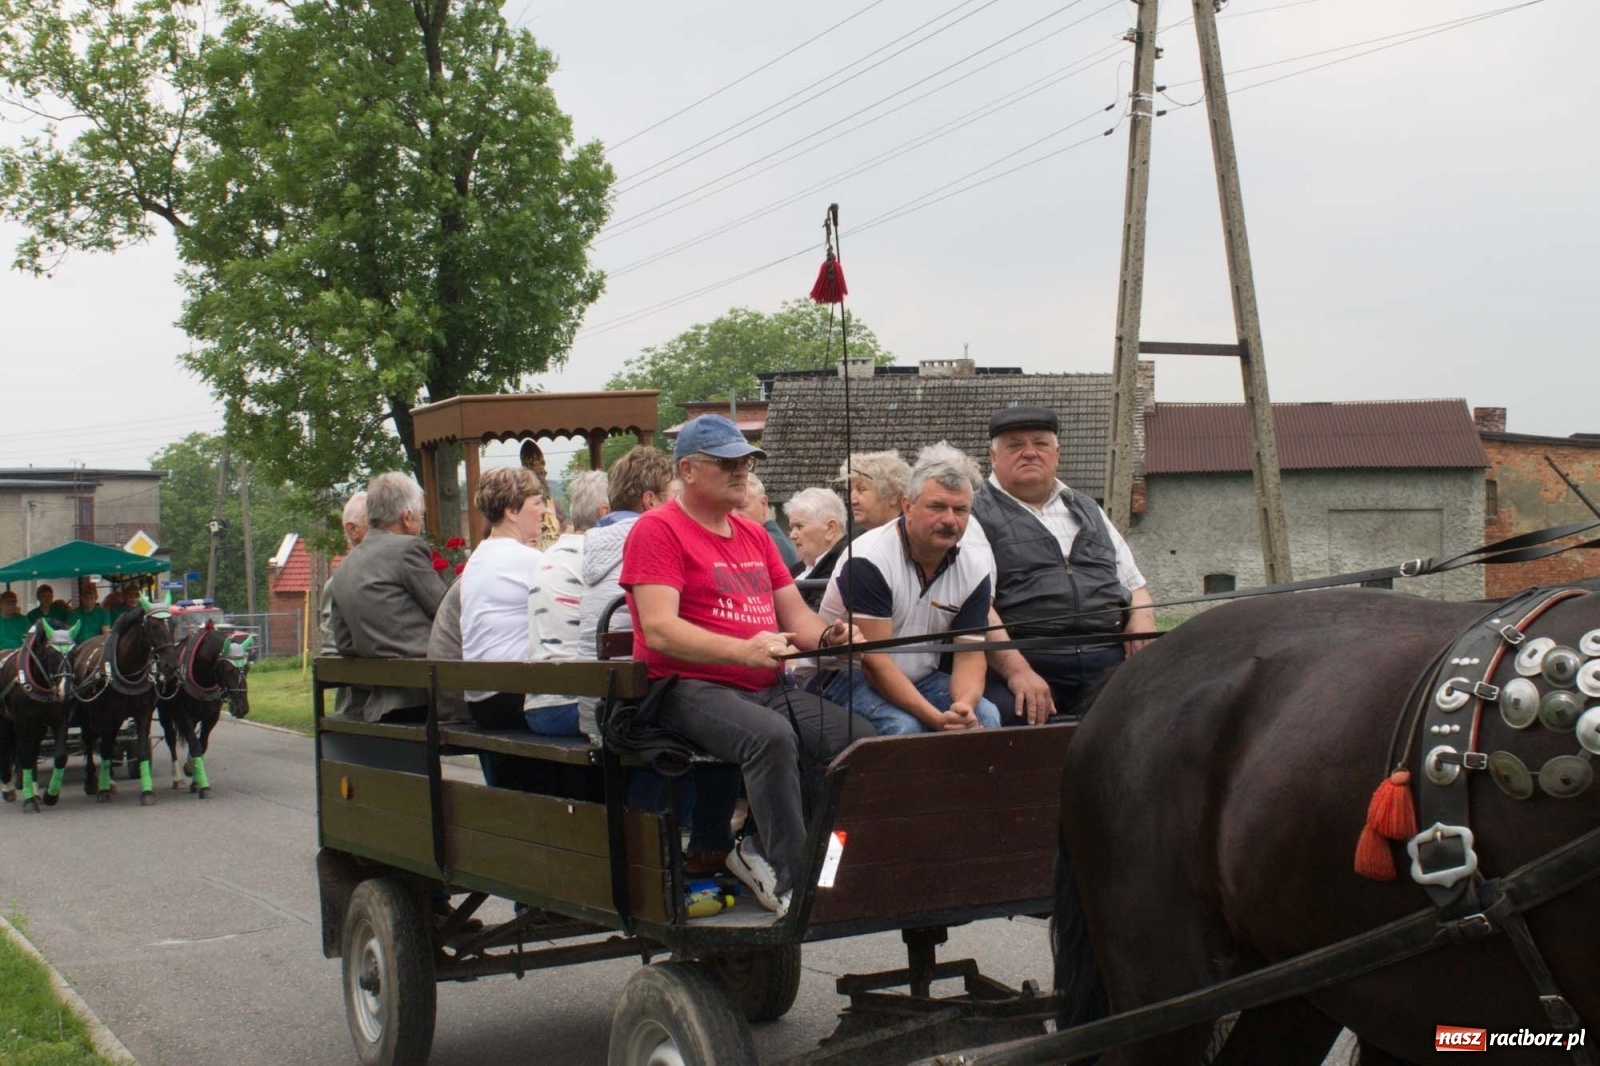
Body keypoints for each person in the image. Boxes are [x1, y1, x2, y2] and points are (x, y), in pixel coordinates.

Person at [621, 414, 875, 916]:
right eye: (728, 463)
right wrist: (743, 651)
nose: (741, 471)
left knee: (854, 737)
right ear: (688, 470)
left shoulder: (755, 536)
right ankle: (791, 878)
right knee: (770, 736)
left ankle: (817, 865)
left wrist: (831, 638)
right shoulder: (657, 531)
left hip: (759, 684)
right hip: (682, 687)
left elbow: (796, 617)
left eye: (746, 462)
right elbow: (659, 631)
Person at [964, 406, 1156, 725]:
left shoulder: (1089, 509)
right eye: (1015, 445)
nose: (1030, 453)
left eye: (1040, 444)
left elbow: (1136, 586)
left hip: (1108, 658)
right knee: (1012, 722)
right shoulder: (975, 514)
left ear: (1057, 454)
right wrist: (1018, 671)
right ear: (993, 457)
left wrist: (1142, 621)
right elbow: (978, 605)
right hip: (1031, 657)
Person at [809, 443, 1001, 735]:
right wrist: (937, 719)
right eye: (937, 507)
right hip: (842, 675)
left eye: (960, 509)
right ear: (908, 506)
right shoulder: (869, 558)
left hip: (920, 677)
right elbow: (874, 663)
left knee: (985, 716)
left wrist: (963, 707)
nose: (950, 519)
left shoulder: (974, 569)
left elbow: (971, 656)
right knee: (904, 727)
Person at [326, 472, 445, 722]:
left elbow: (345, 645)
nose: (421, 524)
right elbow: (446, 613)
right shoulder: (407, 549)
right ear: (407, 516)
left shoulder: (343, 569)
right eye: (421, 516)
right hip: (427, 696)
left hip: (378, 703)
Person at [457, 466, 547, 731]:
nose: (544, 511)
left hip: (482, 698)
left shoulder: (480, 556)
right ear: (512, 511)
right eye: (537, 502)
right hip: (510, 697)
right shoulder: (525, 559)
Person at [526, 469, 608, 735]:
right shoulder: (597, 556)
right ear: (605, 513)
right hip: (573, 704)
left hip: (538, 703)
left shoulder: (550, 554)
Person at [577, 446, 674, 655]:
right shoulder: (654, 542)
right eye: (674, 497)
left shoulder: (597, 543)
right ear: (651, 501)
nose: (680, 506)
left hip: (591, 676)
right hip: (634, 677)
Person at [784, 486, 848, 588]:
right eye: (792, 528)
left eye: (799, 526)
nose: (792, 535)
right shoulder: (796, 569)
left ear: (830, 528)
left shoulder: (843, 572)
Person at [833, 450, 911, 533]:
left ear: (893, 495)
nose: (853, 501)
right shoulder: (854, 542)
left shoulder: (916, 540)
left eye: (861, 489)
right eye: (851, 490)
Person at [736, 474, 800, 572]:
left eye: (741, 507)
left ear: (763, 504)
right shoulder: (781, 541)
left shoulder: (767, 544)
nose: (733, 515)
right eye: (726, 508)